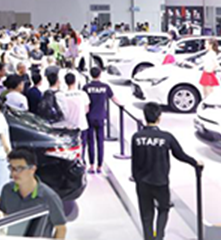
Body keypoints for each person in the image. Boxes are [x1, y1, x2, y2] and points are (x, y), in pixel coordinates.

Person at [132, 103, 203, 240]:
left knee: (146, 215)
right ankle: (159, 236)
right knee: (163, 209)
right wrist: (194, 162)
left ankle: (149, 238)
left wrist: (137, 178)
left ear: (145, 116)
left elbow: (135, 161)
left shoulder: (137, 137)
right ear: (159, 117)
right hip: (161, 182)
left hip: (143, 183)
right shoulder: (166, 137)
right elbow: (180, 154)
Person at [0, 149, 67, 239]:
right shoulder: (7, 190)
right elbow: (6, 217)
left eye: (20, 168)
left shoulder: (49, 197)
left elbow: (61, 229)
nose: (14, 172)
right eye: (11, 168)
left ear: (32, 169)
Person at [82, 67, 122, 174]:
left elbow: (84, 102)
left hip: (89, 117)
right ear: (100, 74)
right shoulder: (105, 87)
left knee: (91, 142)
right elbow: (114, 98)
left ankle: (91, 165)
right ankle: (99, 166)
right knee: (100, 142)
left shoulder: (86, 87)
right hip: (100, 117)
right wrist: (121, 104)